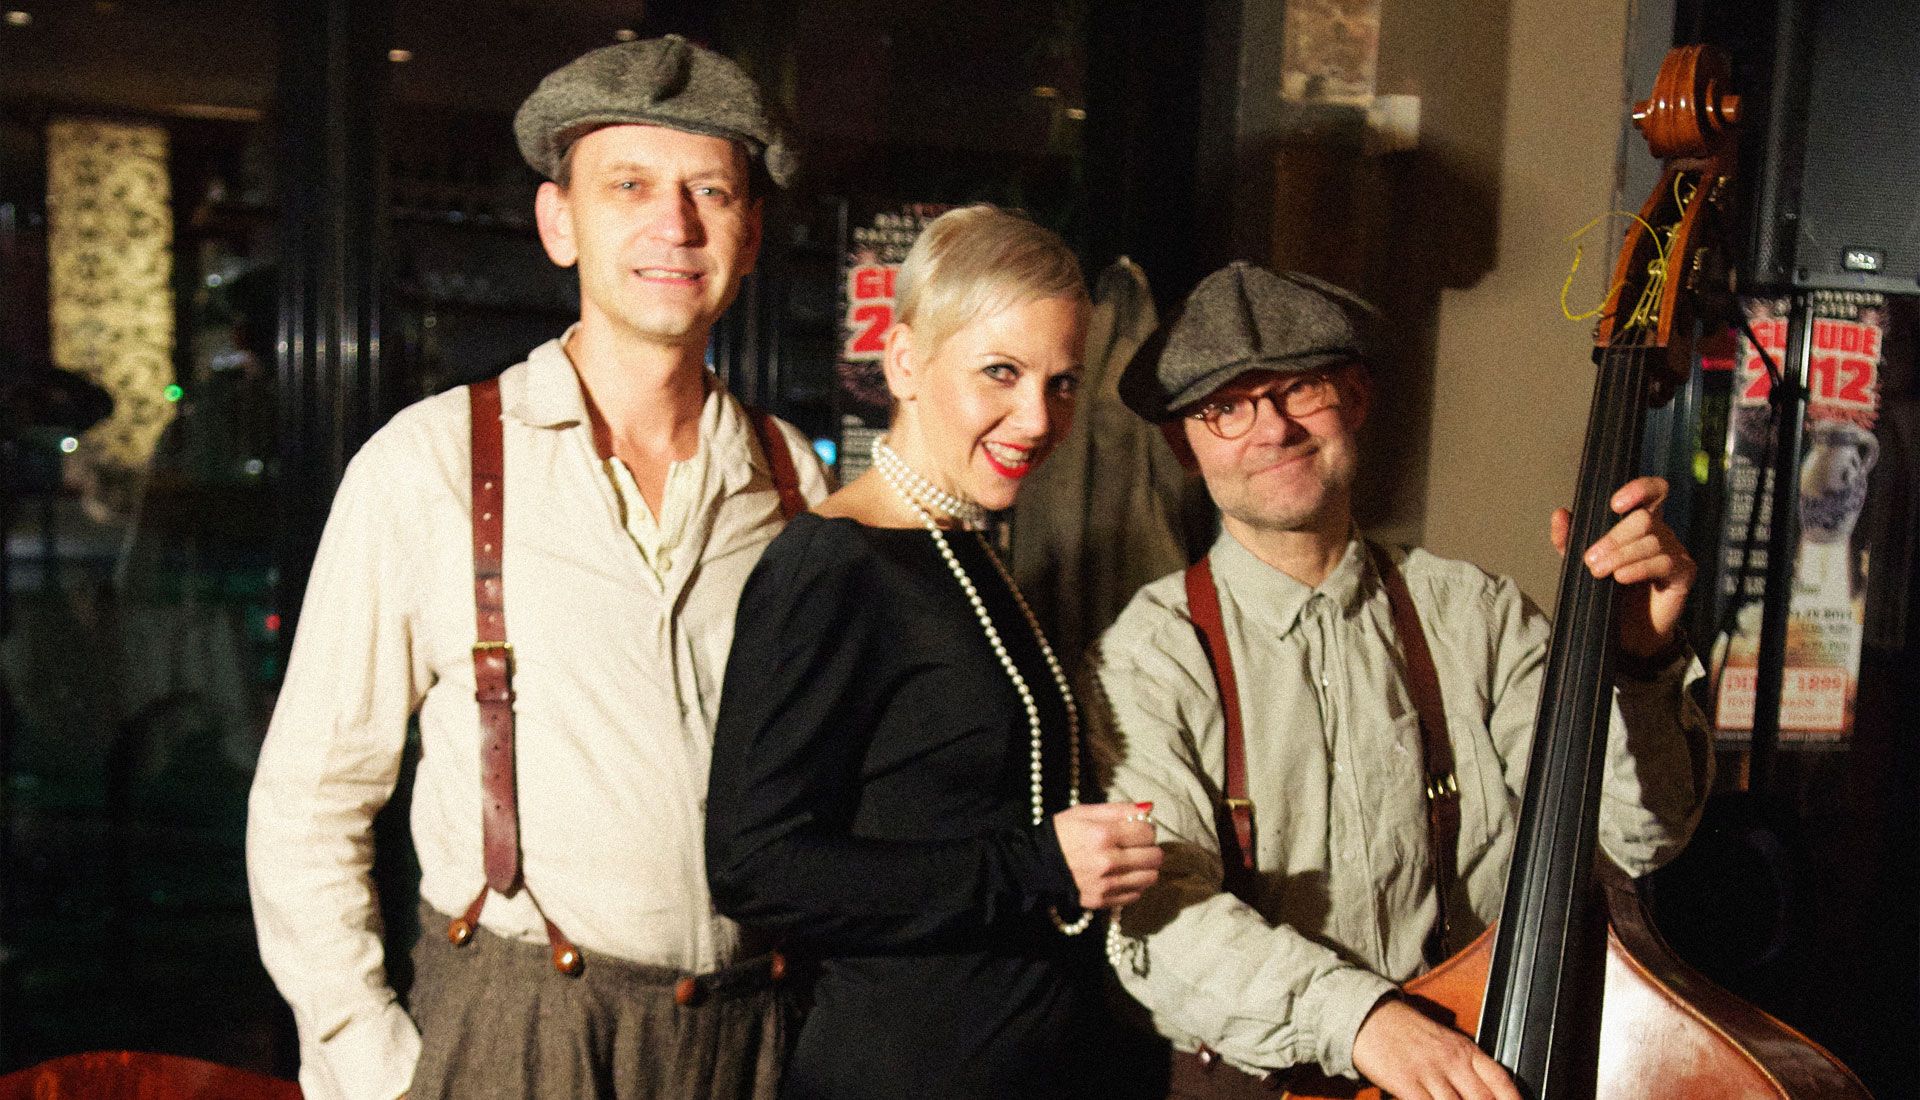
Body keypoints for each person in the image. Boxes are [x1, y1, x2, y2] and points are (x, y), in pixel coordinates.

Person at [246, 35, 829, 1100]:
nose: (675, 225)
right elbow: (310, 800)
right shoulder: (430, 463)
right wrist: (371, 1061)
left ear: (749, 237)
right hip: (522, 1027)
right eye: (630, 186)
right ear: (560, 223)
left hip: (761, 1029)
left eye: (710, 190)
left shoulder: (791, 477)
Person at [1091, 262, 1714, 1100]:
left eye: (1301, 388)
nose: (1272, 429)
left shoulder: (1477, 615)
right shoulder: (1148, 653)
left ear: (1355, 398)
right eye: (1225, 408)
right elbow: (1158, 915)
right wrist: (1363, 1021)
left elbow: (1639, 838)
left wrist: (1636, 663)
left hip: (1487, 1067)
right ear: (1183, 445)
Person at [704, 204, 1165, 1100]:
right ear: (906, 362)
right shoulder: (833, 565)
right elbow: (755, 868)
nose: (1036, 418)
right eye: (1001, 372)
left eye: (1062, 383)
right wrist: (1037, 867)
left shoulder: (962, 544)